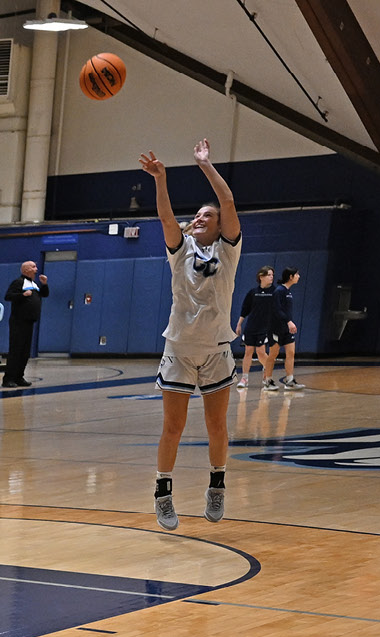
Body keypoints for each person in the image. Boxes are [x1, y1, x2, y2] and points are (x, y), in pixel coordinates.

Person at [143, 137, 242, 525]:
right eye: (198, 215)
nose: (200, 218)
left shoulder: (229, 250)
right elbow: (167, 219)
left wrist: (204, 164)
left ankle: (217, 485)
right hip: (180, 348)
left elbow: (229, 202)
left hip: (217, 349)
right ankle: (163, 491)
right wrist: (160, 179)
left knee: (217, 426)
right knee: (174, 426)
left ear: (219, 226)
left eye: (208, 216)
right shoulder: (181, 249)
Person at [234, 266, 283, 389]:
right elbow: (245, 309)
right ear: (261, 277)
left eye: (272, 275)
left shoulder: (275, 292)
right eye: (269, 275)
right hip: (251, 326)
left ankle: (267, 372)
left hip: (266, 327)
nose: (271, 277)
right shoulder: (253, 292)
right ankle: (244, 378)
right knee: (248, 351)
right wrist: (239, 324)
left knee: (261, 351)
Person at [1, 259, 47, 387]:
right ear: (26, 270)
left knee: (25, 352)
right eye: (33, 267)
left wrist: (44, 284)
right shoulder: (19, 282)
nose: (36, 269)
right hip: (18, 322)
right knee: (16, 350)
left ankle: (19, 377)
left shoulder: (34, 284)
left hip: (29, 322)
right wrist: (23, 295)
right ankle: (8, 379)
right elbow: (8, 296)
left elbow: (44, 294)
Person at [273, 267, 303, 390]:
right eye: (297, 274)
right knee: (272, 355)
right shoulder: (279, 291)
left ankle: (290, 380)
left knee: (291, 353)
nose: (299, 276)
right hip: (277, 328)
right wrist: (288, 321)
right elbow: (277, 309)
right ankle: (267, 379)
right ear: (290, 276)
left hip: (287, 329)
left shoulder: (288, 292)